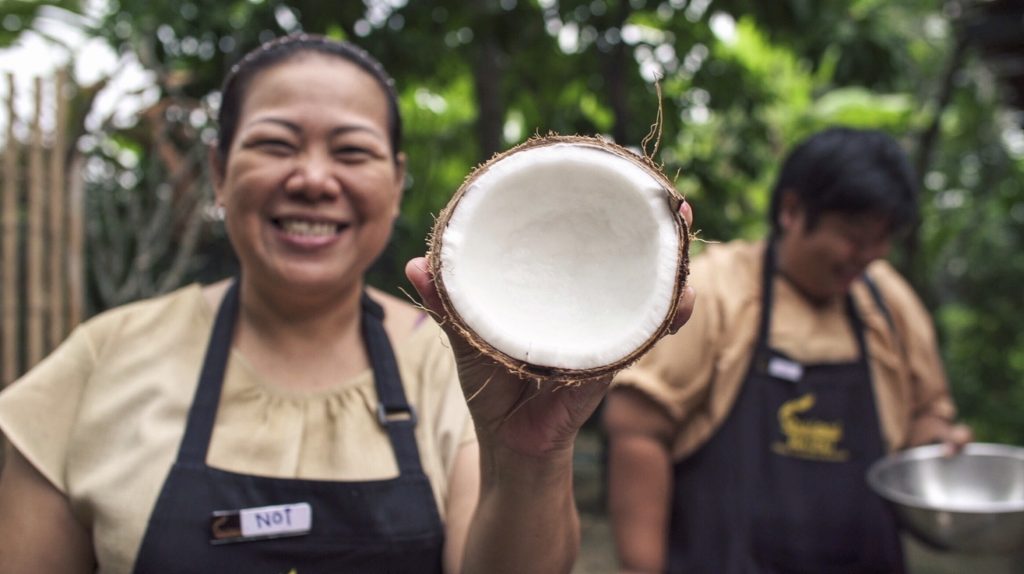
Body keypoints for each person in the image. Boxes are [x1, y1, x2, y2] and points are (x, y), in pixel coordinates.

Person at [0, 33, 696, 574]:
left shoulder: (455, 369)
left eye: (352, 151)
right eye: (275, 144)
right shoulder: (99, 360)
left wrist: (532, 456)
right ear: (218, 172)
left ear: (395, 184)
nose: (311, 178)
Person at [603, 126, 972, 574]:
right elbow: (638, 427)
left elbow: (925, 416)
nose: (870, 255)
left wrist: (937, 448)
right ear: (793, 211)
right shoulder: (717, 290)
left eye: (882, 239)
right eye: (854, 236)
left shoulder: (888, 304)